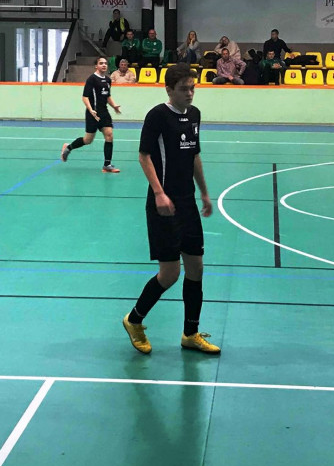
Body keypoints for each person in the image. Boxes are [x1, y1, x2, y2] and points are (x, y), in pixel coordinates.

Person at [122, 62, 220, 355]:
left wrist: (204, 192)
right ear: (169, 90)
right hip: (163, 204)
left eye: (192, 88)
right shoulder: (157, 116)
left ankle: (190, 334)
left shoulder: (194, 115)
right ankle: (134, 320)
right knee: (170, 274)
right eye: (183, 89)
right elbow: (144, 156)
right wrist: (159, 193)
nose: (190, 93)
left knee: (196, 268)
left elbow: (195, 155)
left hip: (187, 202)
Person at [60, 57, 123, 172]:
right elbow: (85, 97)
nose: (104, 65)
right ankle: (68, 147)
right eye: (101, 63)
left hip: (104, 112)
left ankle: (107, 165)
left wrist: (114, 106)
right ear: (96, 66)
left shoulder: (108, 80)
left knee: (109, 134)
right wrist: (91, 110)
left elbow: (107, 96)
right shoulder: (91, 79)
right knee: (88, 140)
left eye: (105, 63)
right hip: (92, 113)